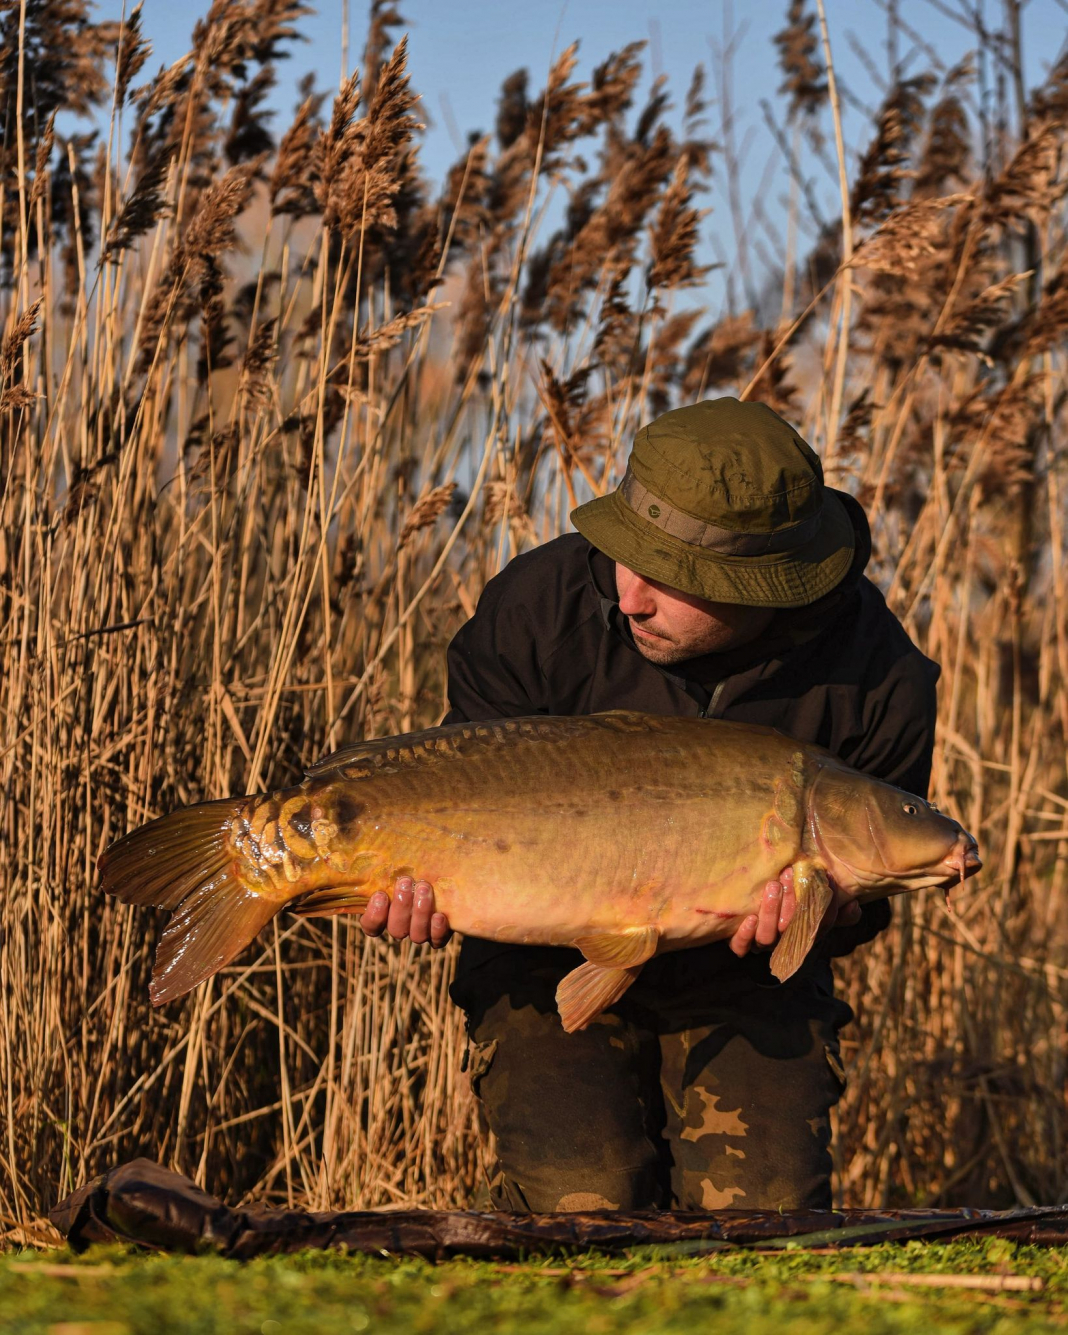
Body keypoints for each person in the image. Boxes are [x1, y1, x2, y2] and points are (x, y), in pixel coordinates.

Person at [358, 397, 939, 1212]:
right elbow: (454, 792)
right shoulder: (536, 607)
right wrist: (405, 887)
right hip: (544, 956)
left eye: (672, 579)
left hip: (745, 981)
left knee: (763, 1213)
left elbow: (871, 896)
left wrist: (828, 912)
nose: (631, 595)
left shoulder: (881, 676)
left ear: (765, 587)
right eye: (627, 552)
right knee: (584, 1200)